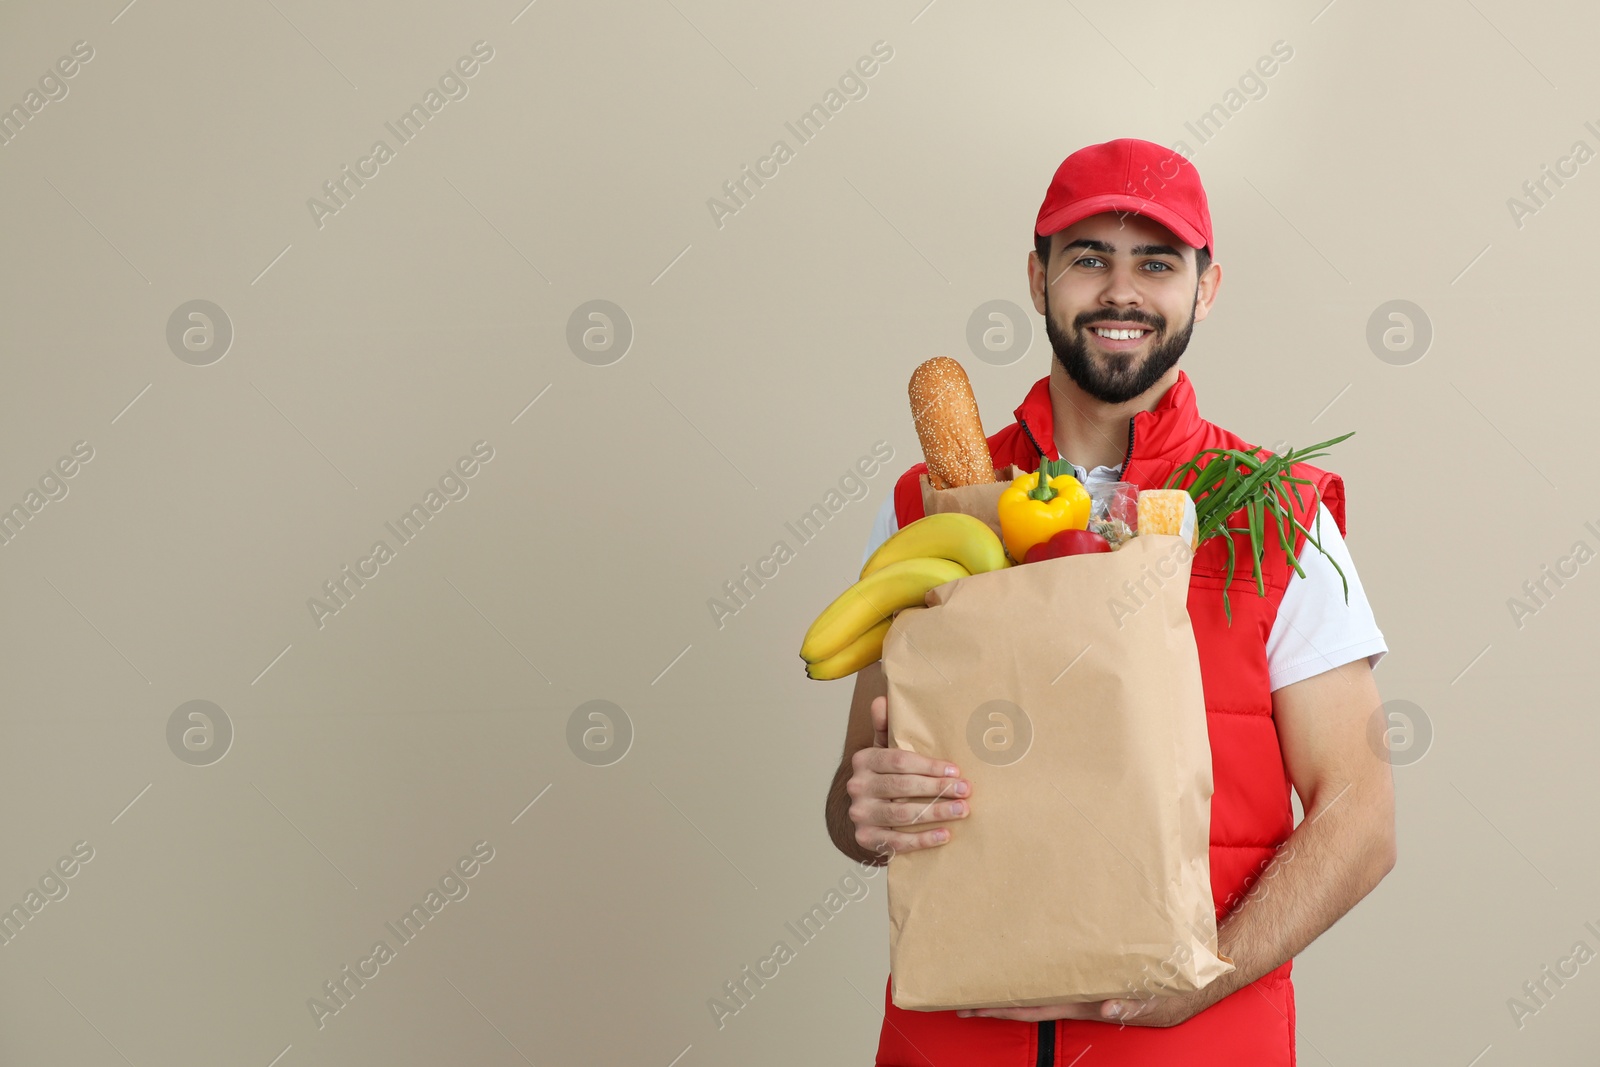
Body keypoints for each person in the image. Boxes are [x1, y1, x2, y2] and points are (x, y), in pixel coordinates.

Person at [823, 138, 1397, 1066]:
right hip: (951, 1042)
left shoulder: (1279, 518)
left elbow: (1362, 818)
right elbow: (857, 800)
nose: (1121, 292)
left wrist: (1202, 978)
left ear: (1206, 288)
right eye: (1089, 257)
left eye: (1157, 263)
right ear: (1037, 277)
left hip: (1197, 1049)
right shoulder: (929, 511)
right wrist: (865, 809)